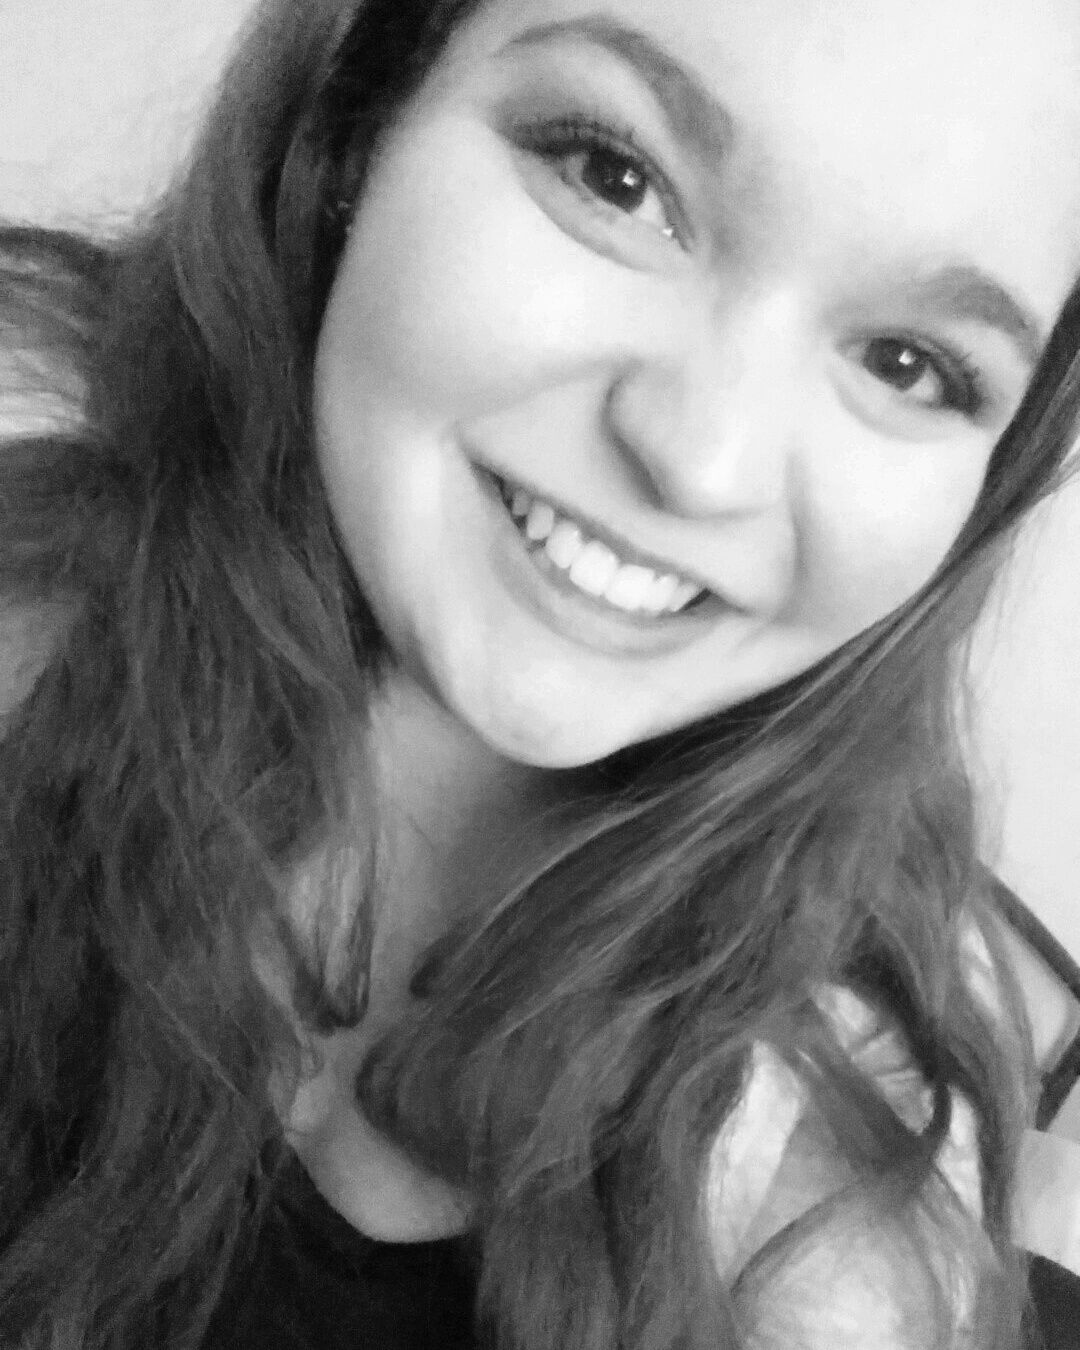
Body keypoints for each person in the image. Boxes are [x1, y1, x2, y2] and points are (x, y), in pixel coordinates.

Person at [1, 0, 1079, 1345]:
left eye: (908, 365)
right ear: (361, 119)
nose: (704, 461)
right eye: (613, 177)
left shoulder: (845, 1175)